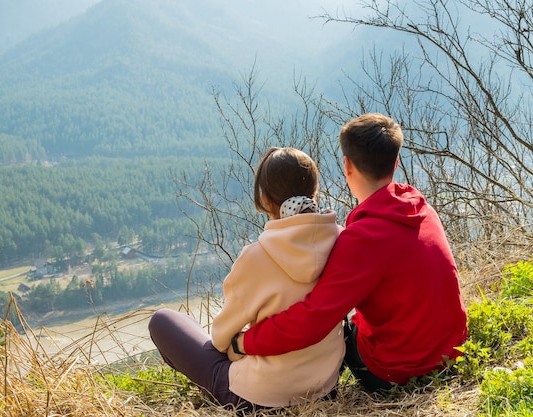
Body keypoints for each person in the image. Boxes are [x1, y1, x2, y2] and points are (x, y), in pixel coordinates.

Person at [234, 113, 468, 392]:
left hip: (397, 371)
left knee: (337, 328)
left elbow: (312, 321)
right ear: (396, 161)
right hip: (452, 353)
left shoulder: (362, 239)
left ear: (347, 165)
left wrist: (245, 342)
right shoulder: (422, 209)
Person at [148, 147, 345, 412]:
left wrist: (238, 348)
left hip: (258, 397)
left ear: (264, 199)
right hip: (324, 387)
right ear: (315, 190)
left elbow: (221, 339)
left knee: (163, 320)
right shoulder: (344, 241)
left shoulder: (256, 256)